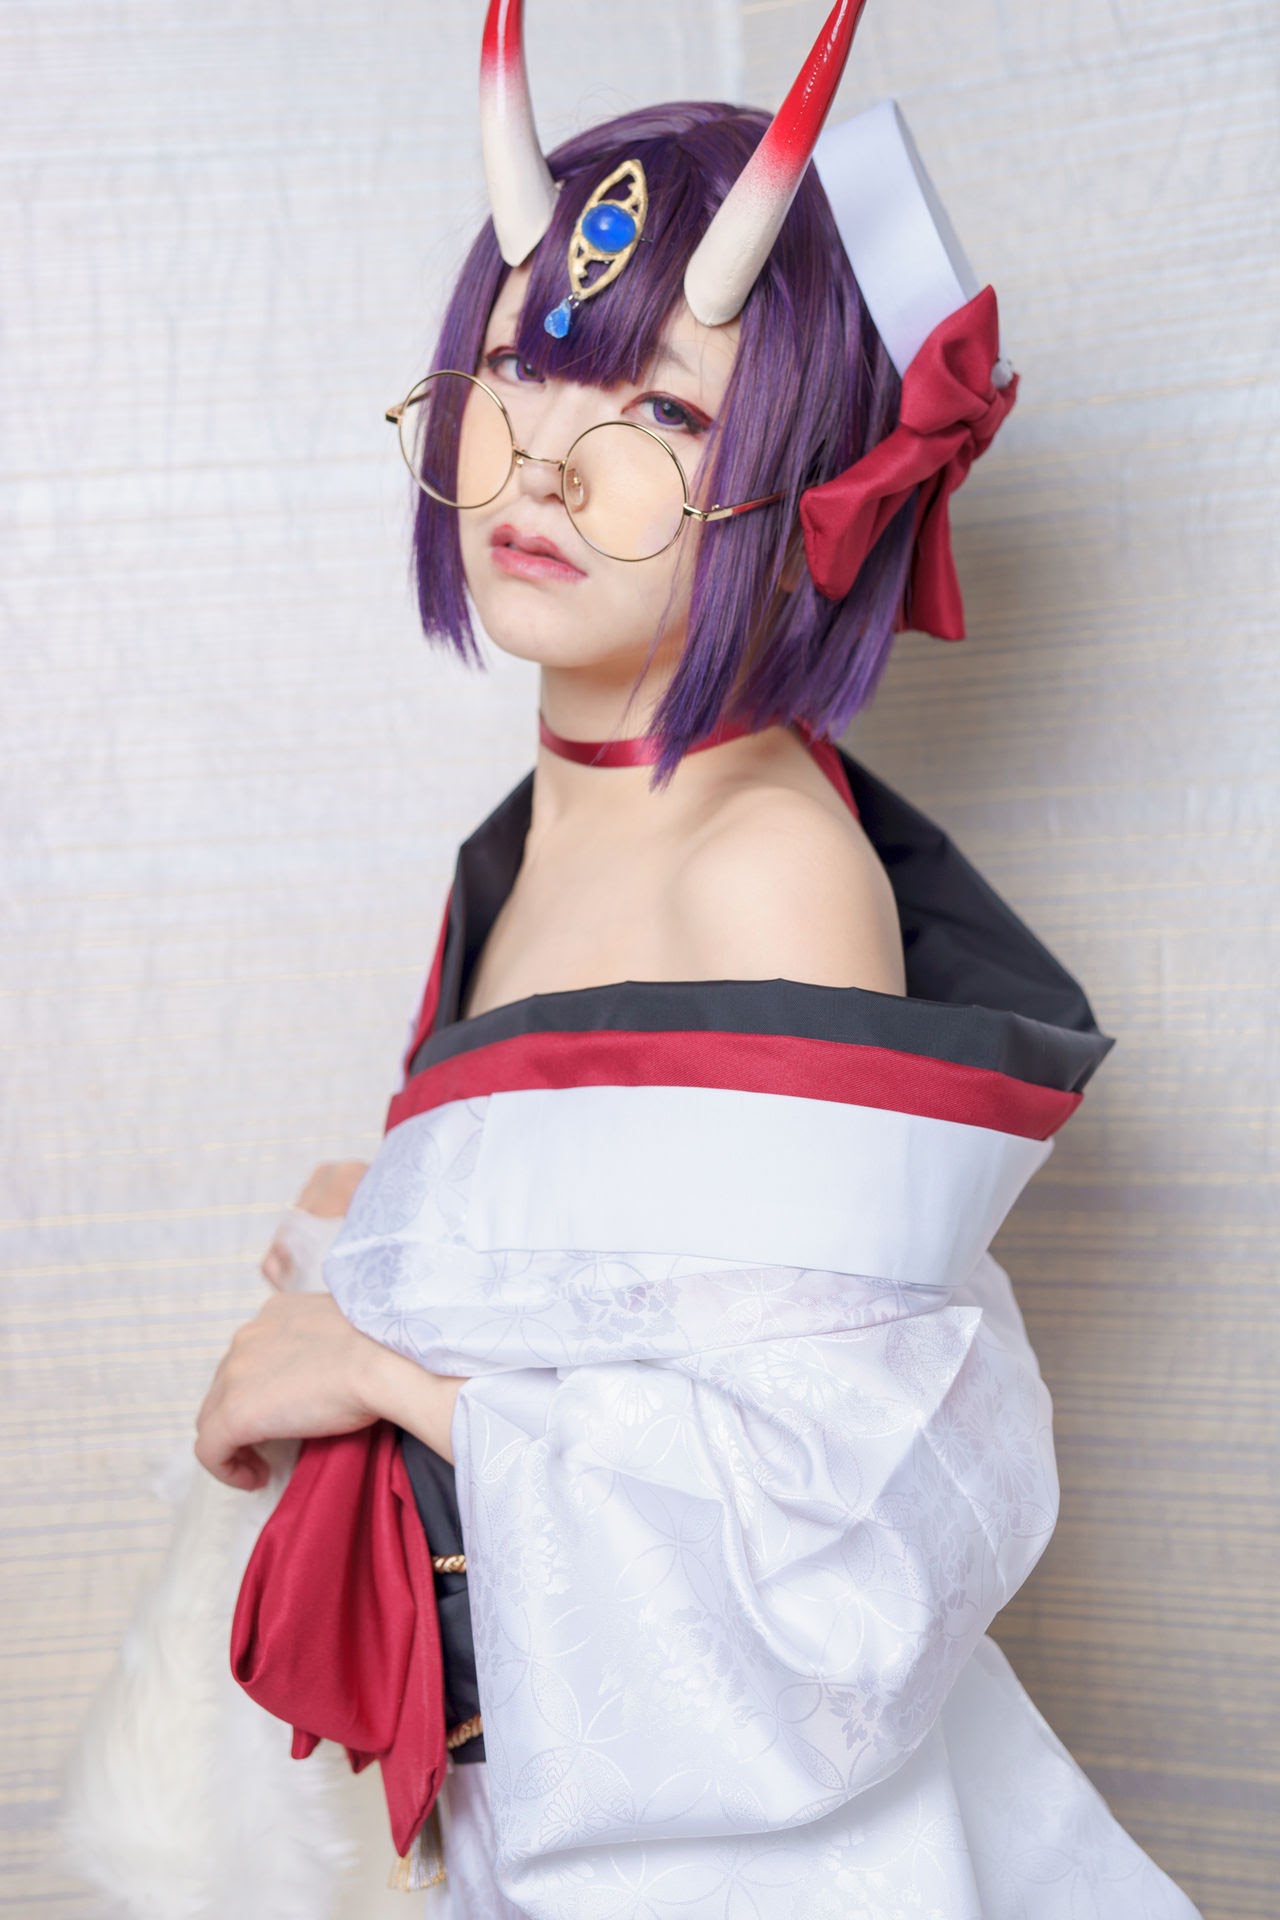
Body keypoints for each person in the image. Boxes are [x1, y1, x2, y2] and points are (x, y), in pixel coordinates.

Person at [194, 3, 1206, 1915]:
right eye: (520, 369)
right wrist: (398, 1233)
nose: (545, 465)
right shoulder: (544, 830)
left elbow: (837, 1557)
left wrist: (379, 1360)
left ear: (811, 486)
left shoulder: (767, 872)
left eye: (660, 414)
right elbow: (643, 1282)